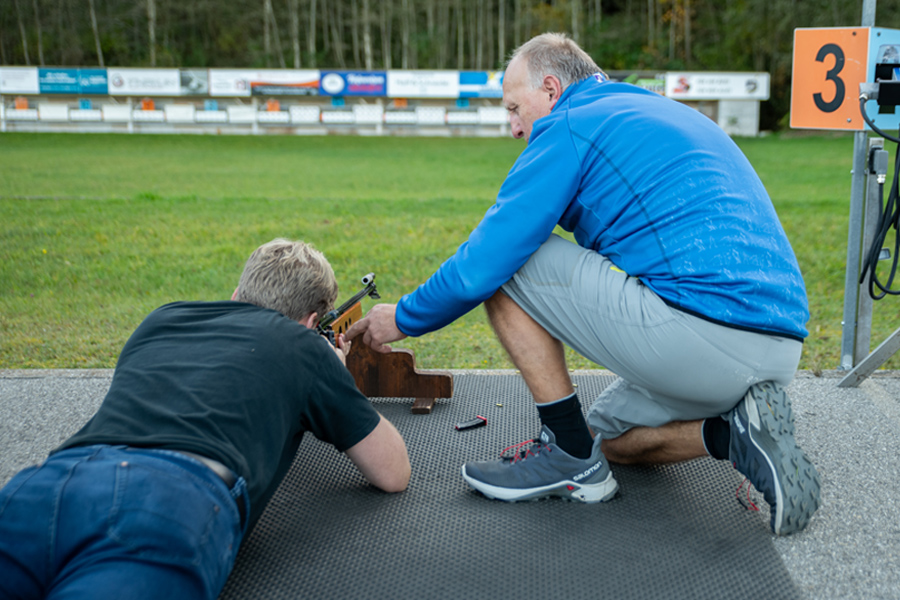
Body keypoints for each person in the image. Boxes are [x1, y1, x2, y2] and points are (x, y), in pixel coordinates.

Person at [347, 32, 820, 536]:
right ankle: (737, 435)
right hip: (776, 347)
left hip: (706, 334)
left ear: (551, 90)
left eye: (514, 108)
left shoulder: (569, 123)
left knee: (514, 263)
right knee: (608, 439)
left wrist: (401, 318)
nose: (513, 127)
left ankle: (568, 456)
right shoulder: (648, 108)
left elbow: (483, 263)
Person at [0, 239, 410, 599]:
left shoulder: (162, 318)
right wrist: (333, 370)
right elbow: (393, 472)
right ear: (309, 322)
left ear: (236, 294)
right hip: (165, 504)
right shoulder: (306, 346)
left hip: (49, 481)